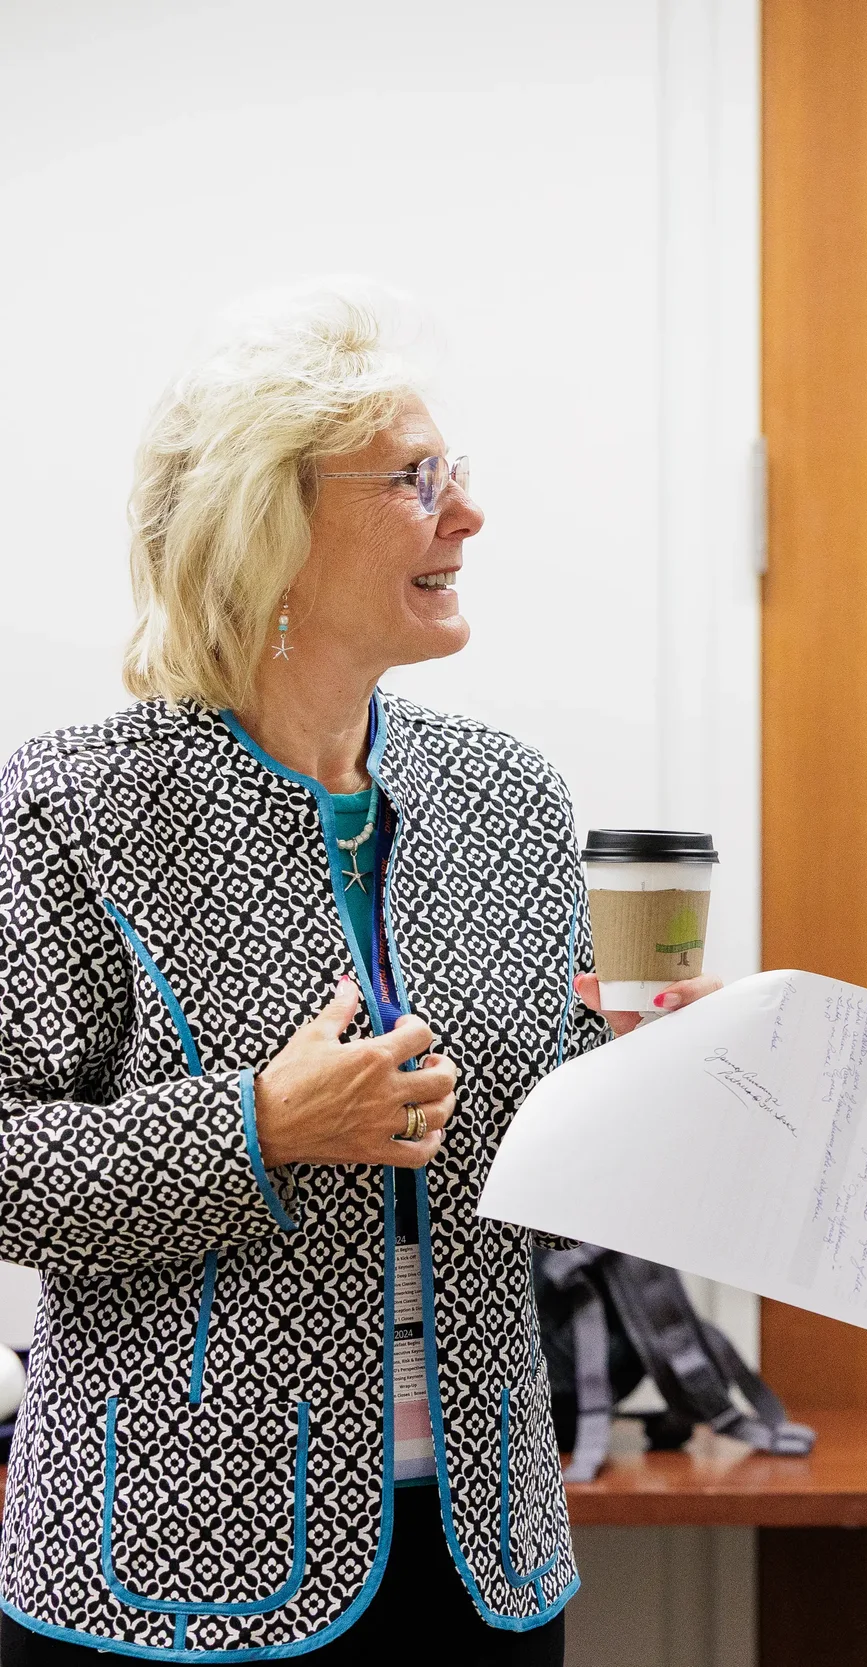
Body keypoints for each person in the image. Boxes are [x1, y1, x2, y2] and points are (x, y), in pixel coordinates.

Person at [0, 288, 717, 1661]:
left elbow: (532, 1138)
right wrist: (259, 1126)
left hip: (484, 1552)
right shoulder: (75, 805)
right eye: (415, 480)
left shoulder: (510, 796)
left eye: (456, 474)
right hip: (165, 1563)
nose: (469, 515)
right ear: (264, 527)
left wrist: (652, 1075)